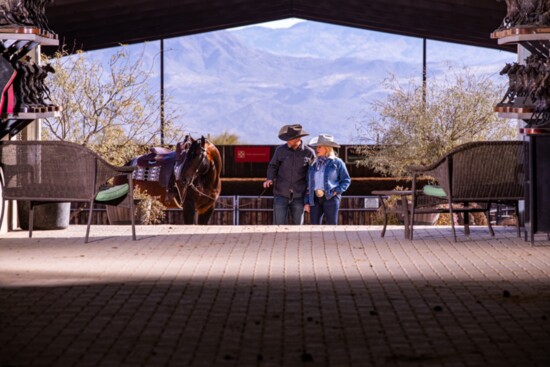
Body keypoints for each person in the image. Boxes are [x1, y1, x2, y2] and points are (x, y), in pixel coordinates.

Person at [263, 124, 315, 225]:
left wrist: (309, 195)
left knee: (298, 226)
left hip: (299, 196)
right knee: (278, 226)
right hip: (281, 194)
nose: (287, 141)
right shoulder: (280, 150)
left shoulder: (309, 153)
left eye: (290, 139)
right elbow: (273, 166)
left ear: (298, 139)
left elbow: (312, 176)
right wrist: (269, 178)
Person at [304, 134, 351, 225]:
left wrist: (336, 191)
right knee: (314, 226)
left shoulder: (337, 162)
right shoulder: (313, 164)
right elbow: (308, 184)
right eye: (317, 147)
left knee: (332, 226)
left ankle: (332, 240)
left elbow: (346, 180)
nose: (317, 149)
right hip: (314, 198)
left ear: (327, 148)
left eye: (319, 147)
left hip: (331, 197)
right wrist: (306, 202)